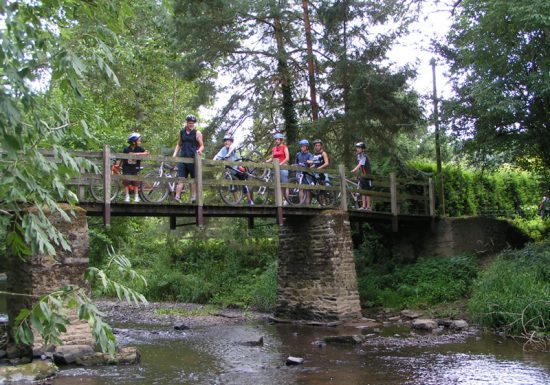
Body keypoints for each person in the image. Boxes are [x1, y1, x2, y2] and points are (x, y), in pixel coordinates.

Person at [172, 114, 204, 203]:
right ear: (187, 123)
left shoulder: (197, 133)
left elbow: (202, 145)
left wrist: (199, 151)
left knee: (193, 178)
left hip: (193, 159)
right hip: (182, 158)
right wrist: (174, 154)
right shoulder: (182, 132)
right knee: (181, 178)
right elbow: (179, 144)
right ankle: (177, 197)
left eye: (193, 123)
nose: (191, 125)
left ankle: (193, 197)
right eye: (190, 123)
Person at [213, 135, 254, 205]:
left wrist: (228, 155)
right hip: (230, 170)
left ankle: (249, 201)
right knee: (232, 186)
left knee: (244, 184)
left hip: (237, 168)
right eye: (225, 141)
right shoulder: (223, 149)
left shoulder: (232, 147)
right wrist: (214, 160)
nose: (226, 142)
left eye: (228, 141)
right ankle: (236, 202)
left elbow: (232, 147)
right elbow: (217, 155)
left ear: (231, 142)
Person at [120, 132, 149, 203]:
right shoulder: (126, 150)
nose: (140, 142)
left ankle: (136, 196)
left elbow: (146, 153)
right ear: (133, 142)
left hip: (135, 168)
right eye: (138, 140)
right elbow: (122, 158)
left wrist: (137, 154)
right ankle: (127, 196)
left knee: (136, 182)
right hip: (127, 168)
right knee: (126, 182)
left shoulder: (139, 149)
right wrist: (120, 165)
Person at [266, 133, 290, 203]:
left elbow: (287, 158)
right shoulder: (274, 148)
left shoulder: (284, 147)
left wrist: (280, 164)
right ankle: (279, 201)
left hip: (283, 167)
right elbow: (272, 158)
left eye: (278, 139)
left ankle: (286, 200)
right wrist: (265, 162)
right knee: (277, 185)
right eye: (276, 139)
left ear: (281, 140)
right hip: (275, 168)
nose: (277, 141)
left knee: (284, 184)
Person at [350, 142, 373, 211]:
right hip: (362, 176)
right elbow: (360, 168)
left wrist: (354, 170)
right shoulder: (358, 156)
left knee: (367, 192)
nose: (357, 149)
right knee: (363, 191)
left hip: (368, 176)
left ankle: (368, 207)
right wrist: (358, 174)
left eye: (359, 148)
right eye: (357, 148)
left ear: (363, 149)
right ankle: (363, 206)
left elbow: (360, 165)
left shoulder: (364, 156)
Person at [294, 139, 314, 204]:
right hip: (299, 173)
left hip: (307, 173)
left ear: (306, 147)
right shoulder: (298, 154)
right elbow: (296, 163)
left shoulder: (309, 154)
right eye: (301, 146)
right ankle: (301, 203)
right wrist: (294, 165)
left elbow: (311, 162)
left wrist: (309, 162)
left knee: (307, 189)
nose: (302, 147)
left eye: (303, 146)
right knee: (300, 188)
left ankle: (307, 204)